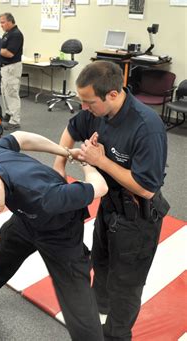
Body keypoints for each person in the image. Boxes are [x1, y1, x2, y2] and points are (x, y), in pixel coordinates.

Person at [0, 131, 109, 340]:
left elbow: (100, 187)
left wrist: (87, 163)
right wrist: (65, 151)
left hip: (59, 229)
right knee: (8, 240)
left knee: (75, 297)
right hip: (26, 218)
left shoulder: (45, 196)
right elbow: (20, 137)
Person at [53, 60, 170, 340]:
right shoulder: (97, 112)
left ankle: (116, 336)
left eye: (89, 101)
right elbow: (72, 129)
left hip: (138, 217)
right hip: (109, 208)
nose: (84, 107)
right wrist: (59, 164)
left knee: (126, 285)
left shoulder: (147, 127)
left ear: (113, 95)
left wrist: (100, 161)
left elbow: (146, 189)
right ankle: (98, 315)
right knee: (101, 264)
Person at [0, 13, 24, 131]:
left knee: (12, 93)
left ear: (10, 22)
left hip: (12, 67)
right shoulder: (7, 34)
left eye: (3, 22)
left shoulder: (16, 34)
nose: (1, 25)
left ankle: (15, 121)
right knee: (5, 92)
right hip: (4, 68)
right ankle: (9, 113)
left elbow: (9, 53)